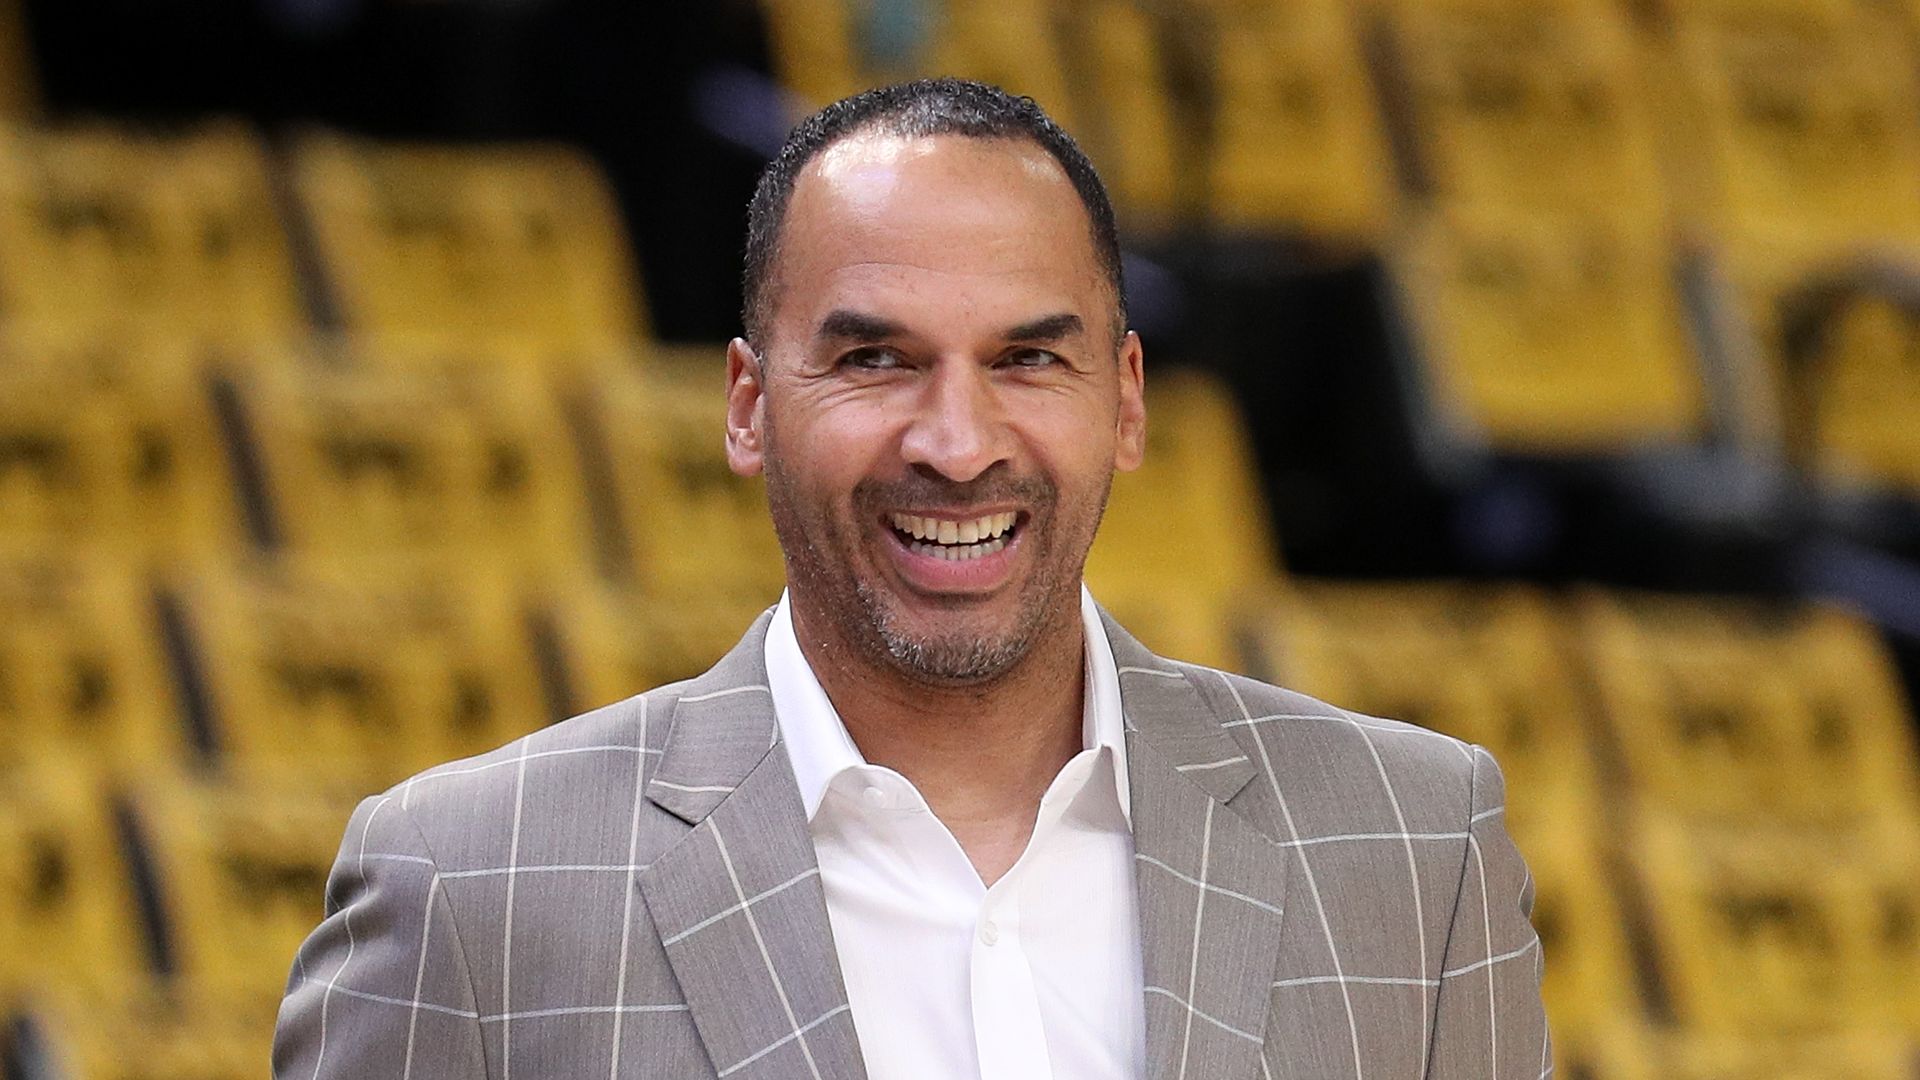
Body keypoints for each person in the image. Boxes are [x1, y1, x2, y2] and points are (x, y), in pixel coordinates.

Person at [275, 77, 1548, 1080]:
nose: (957, 442)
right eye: (878, 359)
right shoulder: (465, 887)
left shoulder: (1413, 850)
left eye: (1029, 362)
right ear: (749, 404)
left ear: (1127, 401)